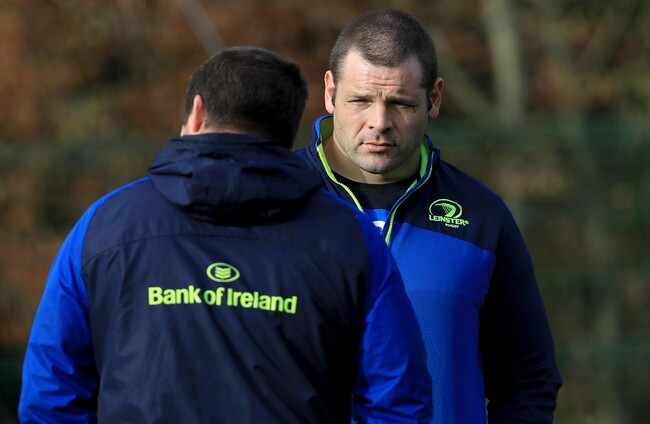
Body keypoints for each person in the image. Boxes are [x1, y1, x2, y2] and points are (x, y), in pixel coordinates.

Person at [18, 46, 432, 423]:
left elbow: (51, 397)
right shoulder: (352, 238)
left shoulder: (105, 225)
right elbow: (396, 401)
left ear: (197, 112)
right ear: (287, 130)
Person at [297, 9, 563, 423]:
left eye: (400, 103)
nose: (379, 123)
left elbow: (528, 379)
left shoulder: (482, 218)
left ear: (433, 99)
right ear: (331, 92)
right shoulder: (276, 203)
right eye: (360, 101)